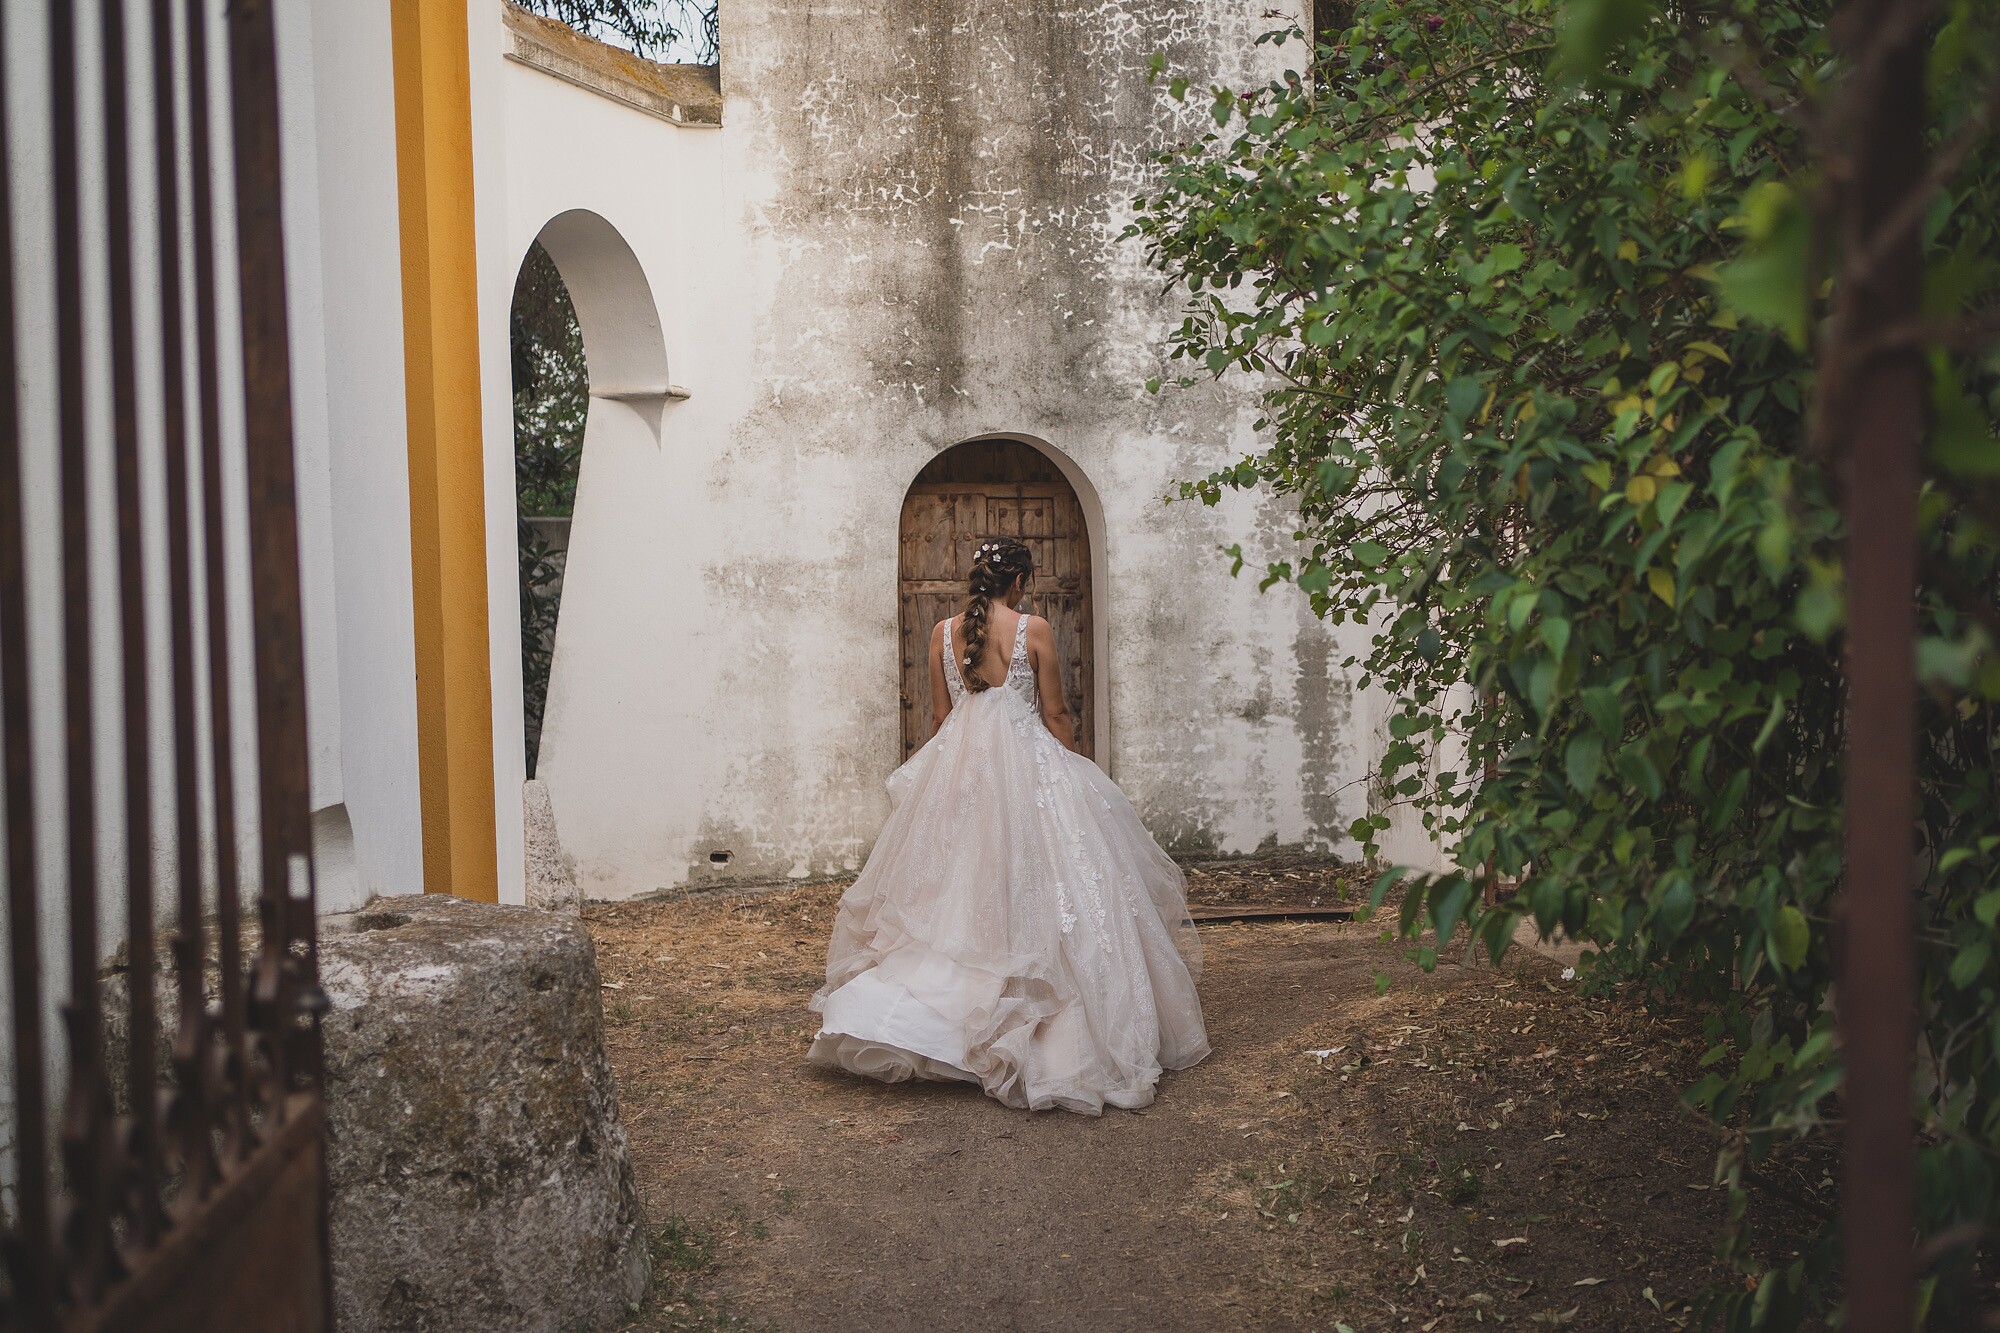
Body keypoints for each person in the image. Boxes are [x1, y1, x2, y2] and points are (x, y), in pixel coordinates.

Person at [808, 536, 1209, 1114]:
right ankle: (1047, 1022)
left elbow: (942, 716)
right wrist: (1071, 770)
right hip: (1029, 767)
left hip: (963, 772)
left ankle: (926, 1018)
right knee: (1050, 880)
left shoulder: (943, 633)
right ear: (1018, 581)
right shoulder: (1033, 628)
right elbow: (1055, 712)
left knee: (955, 886)